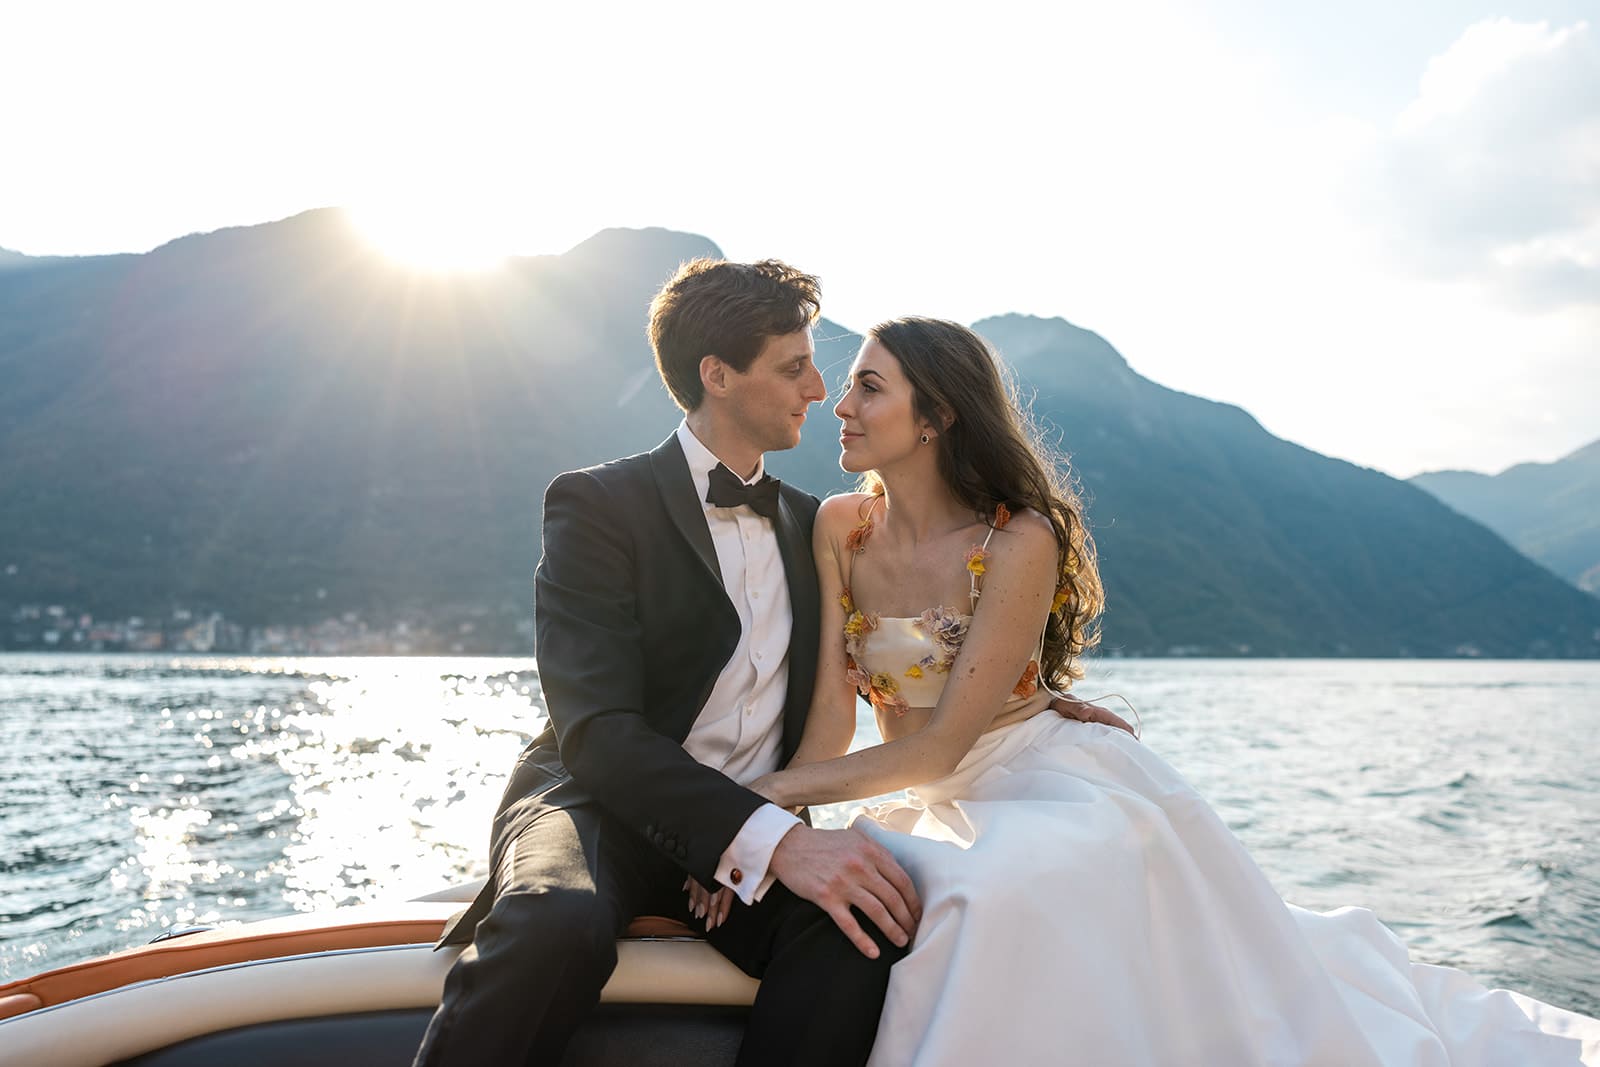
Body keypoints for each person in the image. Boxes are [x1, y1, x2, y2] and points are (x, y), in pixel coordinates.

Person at [722, 316, 1600, 1066]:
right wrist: (762, 833)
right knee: (908, 891)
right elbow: (837, 718)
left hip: (1044, 779)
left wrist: (754, 796)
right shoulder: (842, 526)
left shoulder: (1017, 539)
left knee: (991, 893)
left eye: (869, 387)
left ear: (937, 416)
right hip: (923, 791)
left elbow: (945, 743)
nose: (840, 404)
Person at [412, 259, 924, 1067]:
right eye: (794, 367)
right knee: (555, 921)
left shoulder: (816, 524)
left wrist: (1037, 702)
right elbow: (600, 732)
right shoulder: (595, 504)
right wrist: (757, 837)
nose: (819, 389)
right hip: (595, 806)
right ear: (717, 375)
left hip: (748, 825)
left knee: (855, 926)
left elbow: (913, 643)